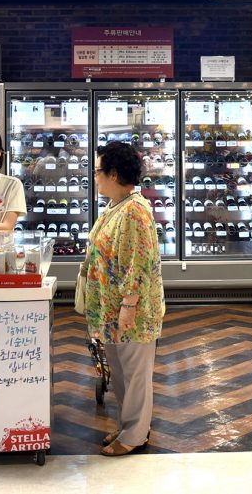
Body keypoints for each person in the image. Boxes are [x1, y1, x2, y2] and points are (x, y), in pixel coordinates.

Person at [85, 141, 165, 457]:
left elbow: (139, 262)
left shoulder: (134, 211)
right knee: (120, 373)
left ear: (114, 174)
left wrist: (129, 306)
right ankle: (129, 426)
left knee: (135, 375)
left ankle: (135, 434)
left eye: (97, 171)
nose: (94, 177)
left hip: (132, 311)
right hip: (112, 308)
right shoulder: (116, 205)